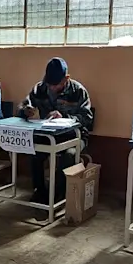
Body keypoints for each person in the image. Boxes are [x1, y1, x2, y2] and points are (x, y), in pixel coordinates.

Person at [17, 57, 93, 204]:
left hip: (74, 137)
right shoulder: (40, 88)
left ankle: (58, 193)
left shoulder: (78, 91)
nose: (51, 88)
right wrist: (25, 111)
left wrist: (64, 116)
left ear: (66, 78)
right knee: (35, 151)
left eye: (56, 85)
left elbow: (87, 118)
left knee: (69, 155)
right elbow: (23, 106)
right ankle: (39, 190)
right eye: (49, 84)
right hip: (48, 134)